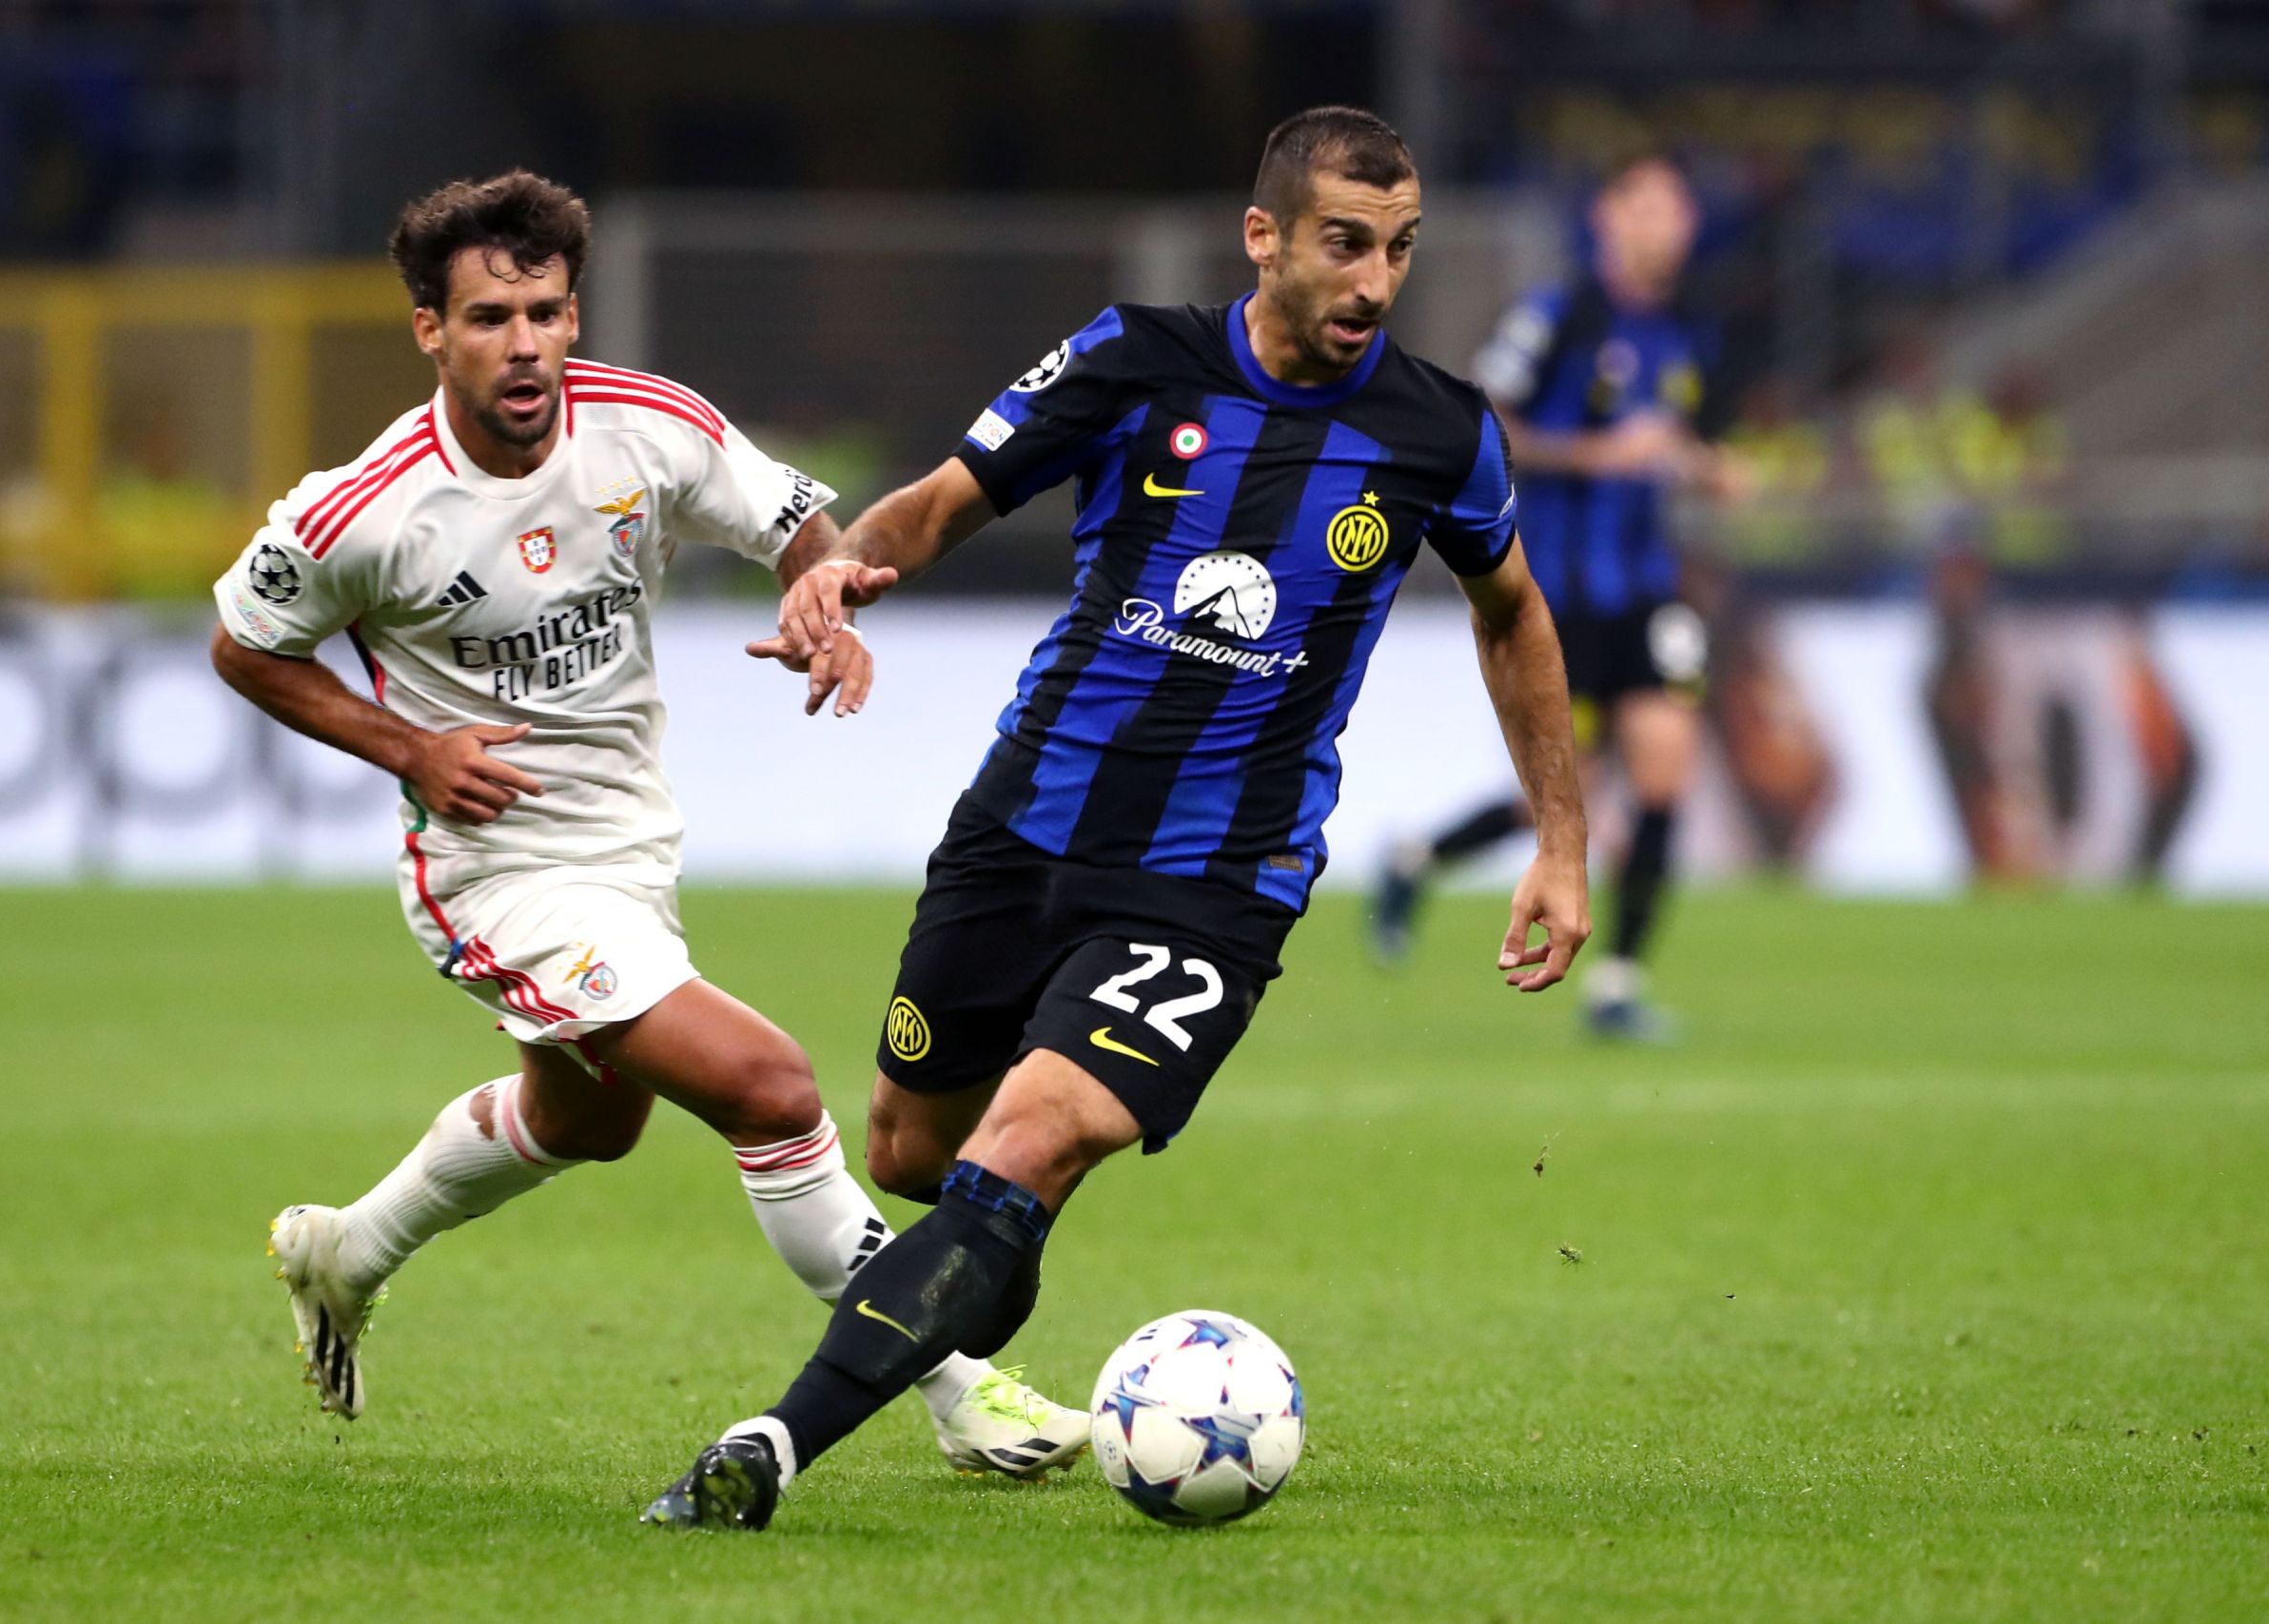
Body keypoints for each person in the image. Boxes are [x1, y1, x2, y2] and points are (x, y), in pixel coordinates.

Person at [643, 107, 1589, 1531]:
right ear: (1263, 236)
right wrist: (835, 573)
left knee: (1027, 1146)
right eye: (1345, 245)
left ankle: (770, 1448)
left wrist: (1562, 839)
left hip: (1216, 880)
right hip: (1023, 827)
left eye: (1398, 251)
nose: (1375, 283)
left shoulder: (1438, 431)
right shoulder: (1134, 362)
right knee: (911, 1154)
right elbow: (944, 502)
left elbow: (1513, 609)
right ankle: (970, 1270)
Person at [207, 169, 1081, 1474]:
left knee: (589, 1119)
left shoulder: (647, 428)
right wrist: (412, 748)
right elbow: (245, 644)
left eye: (547, 312)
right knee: (770, 1087)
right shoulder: (366, 507)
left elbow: (797, 522)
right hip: (492, 869)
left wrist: (819, 601)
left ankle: (347, 1249)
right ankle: (957, 1384)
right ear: (430, 332)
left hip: (628, 846)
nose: (525, 344)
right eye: (491, 317)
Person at [1371, 152, 1744, 1040]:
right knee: (1562, 798)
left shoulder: (1690, 327)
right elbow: (1485, 418)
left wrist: (1704, 465)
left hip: (1651, 593)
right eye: (1648, 204)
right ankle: (1417, 858)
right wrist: (1596, 454)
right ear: (1608, 216)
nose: (1669, 224)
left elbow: (1669, 435)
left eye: (1679, 207)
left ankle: (1616, 983)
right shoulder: (1560, 314)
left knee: (1663, 771)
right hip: (1564, 598)